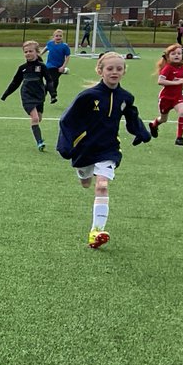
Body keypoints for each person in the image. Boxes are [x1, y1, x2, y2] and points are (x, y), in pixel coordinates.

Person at [56, 51, 151, 249]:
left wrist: (141, 132)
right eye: (110, 68)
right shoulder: (88, 96)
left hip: (108, 148)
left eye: (119, 68)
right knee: (85, 182)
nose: (114, 72)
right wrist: (65, 145)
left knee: (102, 186)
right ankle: (84, 175)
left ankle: (96, 232)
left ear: (124, 71)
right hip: (85, 148)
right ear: (100, 70)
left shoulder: (125, 97)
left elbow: (132, 117)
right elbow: (67, 120)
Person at [0, 40, 49, 150]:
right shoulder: (22, 68)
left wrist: (52, 93)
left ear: (37, 52)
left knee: (38, 118)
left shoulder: (41, 67)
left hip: (39, 95)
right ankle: (39, 142)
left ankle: (35, 128)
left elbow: (49, 80)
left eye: (30, 51)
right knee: (35, 118)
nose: (27, 53)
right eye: (25, 52)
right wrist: (6, 94)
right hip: (27, 95)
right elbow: (15, 82)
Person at [148, 43, 183, 146]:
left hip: (178, 97)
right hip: (166, 98)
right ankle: (154, 125)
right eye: (173, 53)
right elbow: (160, 81)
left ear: (182, 56)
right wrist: (176, 83)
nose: (177, 55)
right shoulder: (167, 68)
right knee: (163, 119)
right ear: (168, 56)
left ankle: (179, 138)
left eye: (179, 53)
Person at [43, 29, 72, 103]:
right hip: (50, 66)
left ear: (62, 37)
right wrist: (39, 54)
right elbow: (46, 48)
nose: (58, 37)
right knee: (53, 80)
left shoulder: (64, 46)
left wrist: (63, 66)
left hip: (59, 67)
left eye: (60, 36)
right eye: (56, 36)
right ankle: (53, 95)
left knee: (52, 81)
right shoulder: (50, 43)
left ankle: (44, 91)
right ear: (53, 37)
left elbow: (67, 56)